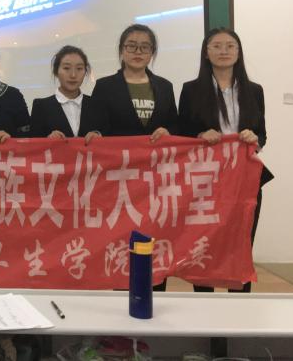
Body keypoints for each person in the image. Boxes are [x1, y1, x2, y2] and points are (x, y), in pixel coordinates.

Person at [178, 27, 270, 293]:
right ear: (206, 53)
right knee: (204, 243)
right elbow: (181, 133)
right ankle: (204, 305)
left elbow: (262, 134)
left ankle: (238, 308)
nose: (223, 51)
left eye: (230, 46)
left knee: (240, 246)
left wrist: (254, 138)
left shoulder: (254, 90)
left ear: (238, 52)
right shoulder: (191, 90)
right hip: (206, 181)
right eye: (216, 46)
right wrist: (199, 135)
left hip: (244, 179)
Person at [91, 23, 177, 292]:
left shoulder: (165, 87)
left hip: (156, 180)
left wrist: (169, 132)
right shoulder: (105, 86)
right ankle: (121, 296)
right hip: (120, 180)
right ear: (121, 50)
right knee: (121, 240)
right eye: (131, 46)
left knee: (155, 238)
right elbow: (97, 127)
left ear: (152, 52)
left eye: (145, 47)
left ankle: (156, 292)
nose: (138, 52)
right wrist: (95, 134)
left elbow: (176, 126)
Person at [30, 45, 107, 142]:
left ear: (85, 72)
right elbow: (33, 144)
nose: (73, 75)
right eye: (66, 68)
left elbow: (110, 136)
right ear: (56, 71)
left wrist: (99, 136)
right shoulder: (41, 106)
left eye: (79, 68)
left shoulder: (98, 106)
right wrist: (48, 139)